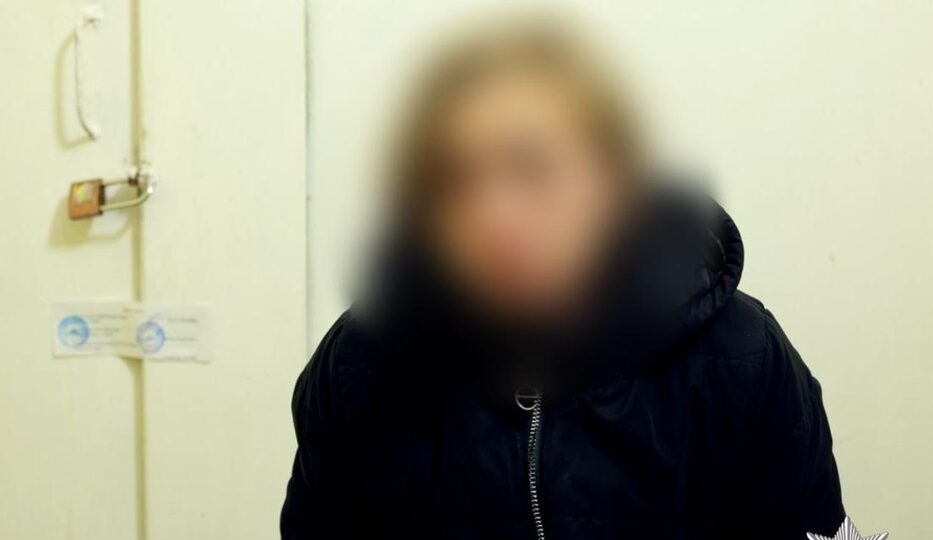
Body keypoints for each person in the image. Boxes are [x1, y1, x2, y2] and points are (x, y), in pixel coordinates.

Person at [281, 16, 844, 540]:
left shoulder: (740, 361)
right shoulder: (362, 367)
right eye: (455, 181)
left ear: (614, 184)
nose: (494, 218)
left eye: (532, 168)